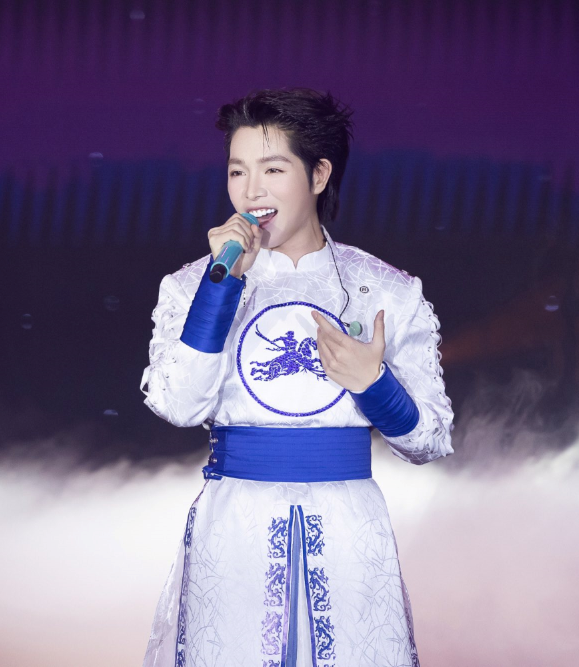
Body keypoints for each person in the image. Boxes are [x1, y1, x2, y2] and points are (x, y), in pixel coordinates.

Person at [140, 88, 454, 667]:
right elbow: (178, 405)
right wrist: (221, 287)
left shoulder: (386, 290)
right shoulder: (192, 285)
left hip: (348, 530)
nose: (250, 191)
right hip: (235, 532)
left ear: (318, 175)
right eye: (237, 171)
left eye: (273, 169)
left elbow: (430, 439)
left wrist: (374, 384)